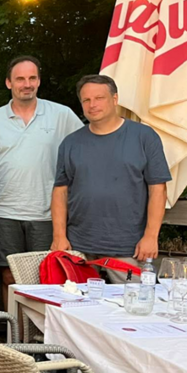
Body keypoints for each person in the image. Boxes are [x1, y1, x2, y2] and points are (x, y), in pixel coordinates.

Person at [0, 56, 83, 307]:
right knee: (9, 277)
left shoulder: (61, 115)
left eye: (32, 78)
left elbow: (86, 150)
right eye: (20, 79)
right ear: (8, 83)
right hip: (4, 213)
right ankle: (15, 330)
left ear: (39, 81)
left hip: (47, 213)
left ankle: (41, 331)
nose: (27, 84)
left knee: (46, 278)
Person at [52, 74, 170, 282]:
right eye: (86, 100)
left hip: (128, 246)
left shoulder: (144, 137)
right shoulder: (70, 143)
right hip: (78, 246)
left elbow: (158, 189)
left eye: (99, 98)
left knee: (134, 300)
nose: (92, 105)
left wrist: (151, 236)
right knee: (76, 300)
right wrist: (59, 236)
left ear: (115, 99)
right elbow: (60, 191)